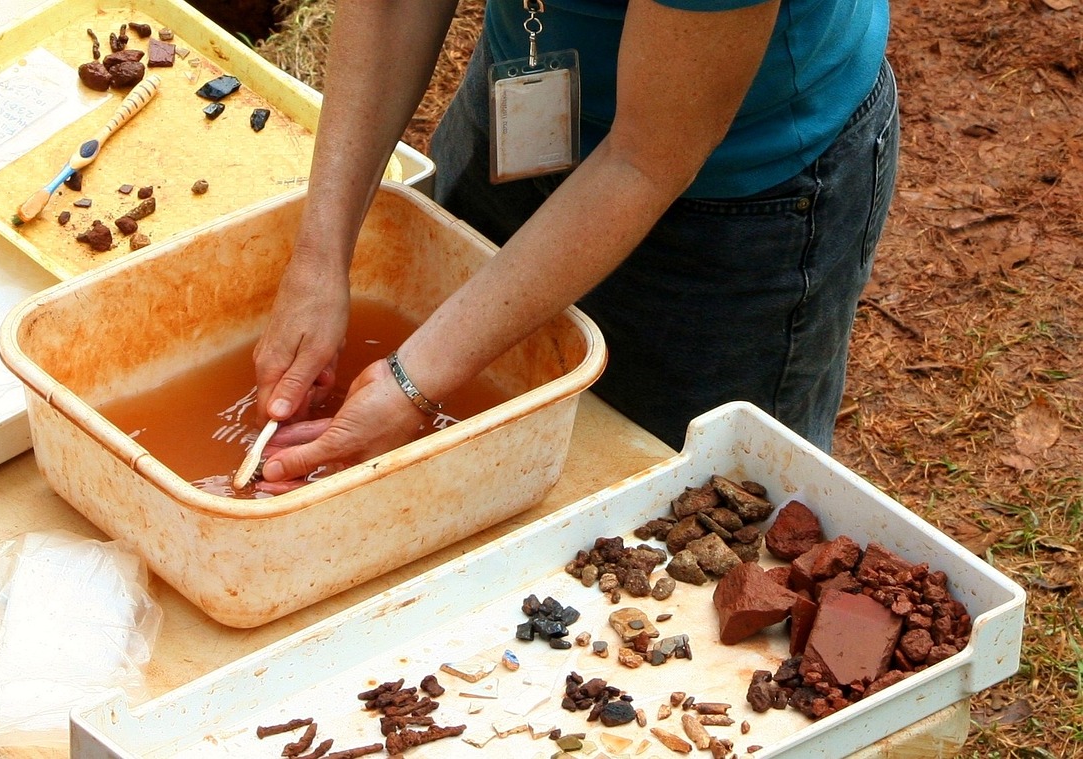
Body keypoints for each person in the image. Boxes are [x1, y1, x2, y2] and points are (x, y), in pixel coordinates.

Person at [251, 0, 899, 490]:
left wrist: (410, 383)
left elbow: (646, 160)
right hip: (530, 94)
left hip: (736, 196)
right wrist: (319, 257)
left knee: (694, 496)